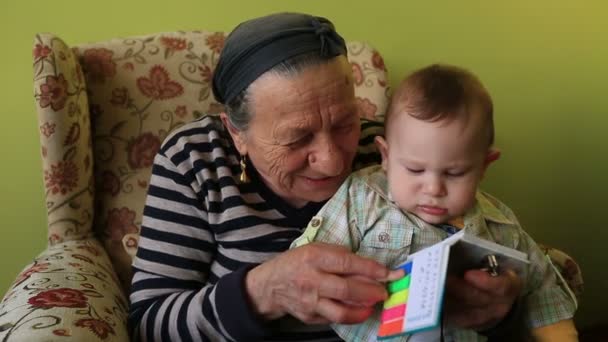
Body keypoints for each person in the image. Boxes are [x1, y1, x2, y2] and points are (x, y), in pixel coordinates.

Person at [128, 12, 523, 341]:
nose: (334, 162)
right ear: (236, 132)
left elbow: (486, 247)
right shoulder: (195, 159)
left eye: (345, 123)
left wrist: (495, 307)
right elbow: (149, 323)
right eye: (297, 138)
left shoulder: (399, 156)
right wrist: (263, 291)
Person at [291, 64, 578, 341]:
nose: (433, 188)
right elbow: (308, 263)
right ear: (386, 156)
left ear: (484, 166)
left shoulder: (499, 224)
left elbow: (542, 288)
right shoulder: (361, 198)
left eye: (454, 173)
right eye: (415, 170)